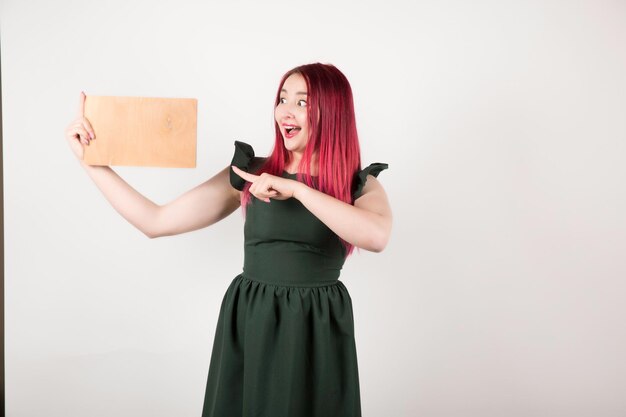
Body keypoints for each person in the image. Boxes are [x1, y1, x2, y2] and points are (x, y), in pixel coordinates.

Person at [64, 62, 392, 417]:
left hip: (316, 328)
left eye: (302, 102)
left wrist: (296, 189)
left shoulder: (359, 184)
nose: (286, 110)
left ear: (333, 112)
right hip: (252, 320)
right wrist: (90, 162)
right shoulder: (250, 172)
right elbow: (155, 221)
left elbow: (376, 236)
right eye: (283, 99)